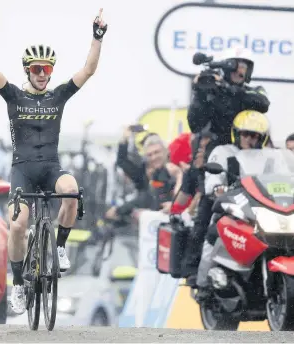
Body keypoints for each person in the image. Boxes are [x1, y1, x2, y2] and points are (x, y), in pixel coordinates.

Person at [0, 7, 108, 314]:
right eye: (37, 68)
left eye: (47, 70)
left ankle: (61, 246)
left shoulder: (58, 96)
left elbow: (88, 70)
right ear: (28, 70)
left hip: (51, 166)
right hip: (23, 171)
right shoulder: (14, 96)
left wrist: (97, 37)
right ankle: (17, 285)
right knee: (17, 226)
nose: (42, 74)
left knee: (71, 191)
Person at [183, 47, 270, 282]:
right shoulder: (211, 92)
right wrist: (200, 93)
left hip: (251, 154)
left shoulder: (251, 92)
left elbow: (263, 103)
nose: (241, 71)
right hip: (218, 153)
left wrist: (230, 91)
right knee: (209, 205)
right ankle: (194, 270)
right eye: (237, 66)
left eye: (245, 67)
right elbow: (195, 123)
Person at [195, 110, 270, 290]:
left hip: (263, 211)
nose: (249, 139)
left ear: (262, 138)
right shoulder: (223, 152)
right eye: (245, 134)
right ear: (236, 134)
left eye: (254, 135)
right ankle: (203, 285)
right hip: (233, 209)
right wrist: (217, 188)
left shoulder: (269, 157)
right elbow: (212, 180)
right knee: (214, 235)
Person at [104, 128, 182, 222]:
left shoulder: (173, 168)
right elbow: (122, 161)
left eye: (156, 152)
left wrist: (179, 175)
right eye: (149, 154)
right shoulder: (145, 173)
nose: (153, 157)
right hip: (152, 220)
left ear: (165, 151)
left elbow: (184, 196)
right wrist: (124, 139)